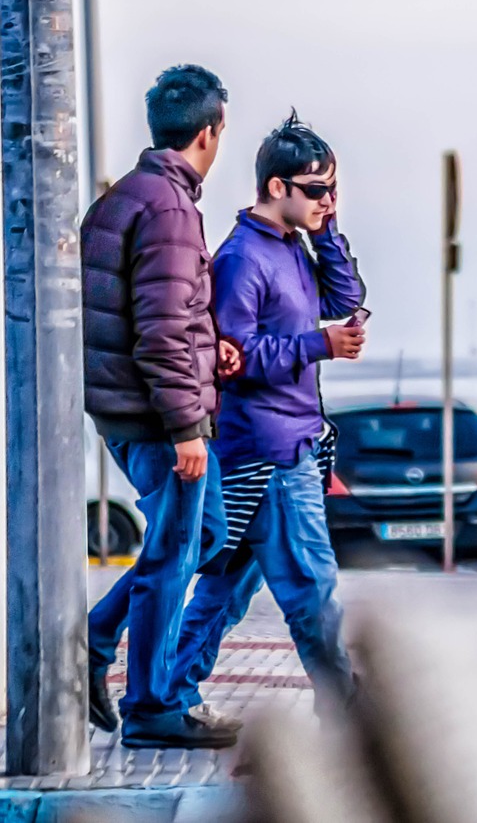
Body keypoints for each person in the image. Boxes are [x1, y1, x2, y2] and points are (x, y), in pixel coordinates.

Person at [167, 112, 366, 723]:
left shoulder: (292, 248)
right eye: (315, 190)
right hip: (270, 453)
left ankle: (167, 698)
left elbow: (345, 298)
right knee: (312, 589)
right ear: (276, 187)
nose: (326, 201)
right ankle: (348, 715)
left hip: (285, 445)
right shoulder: (242, 259)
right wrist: (319, 346)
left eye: (332, 189)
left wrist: (327, 232)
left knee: (225, 591)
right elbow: (232, 356)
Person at [82, 65, 242, 749]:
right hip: (156, 418)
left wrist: (216, 347)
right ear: (210, 132)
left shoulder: (128, 197)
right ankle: (149, 708)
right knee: (179, 548)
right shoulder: (171, 210)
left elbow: (163, 315)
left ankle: (93, 638)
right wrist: (185, 426)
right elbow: (159, 328)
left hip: (128, 406)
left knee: (202, 537)